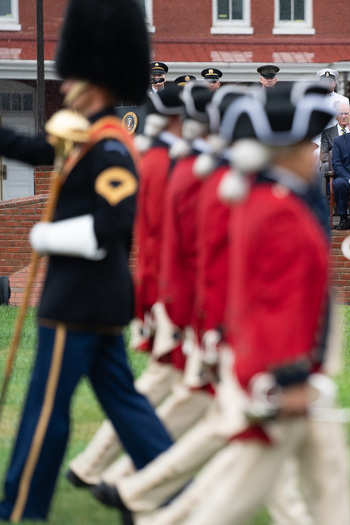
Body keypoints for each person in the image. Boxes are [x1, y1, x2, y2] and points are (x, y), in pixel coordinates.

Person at [136, 81, 350, 525]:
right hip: (280, 368)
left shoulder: (267, 200)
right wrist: (290, 373)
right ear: (285, 151)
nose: (312, 155)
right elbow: (275, 299)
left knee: (328, 474)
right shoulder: (277, 209)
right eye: (305, 146)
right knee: (239, 491)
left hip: (284, 364)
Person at [0, 0, 174, 520]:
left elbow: (117, 221)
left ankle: (21, 504)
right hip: (95, 298)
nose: (66, 85)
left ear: (93, 81)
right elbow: (36, 148)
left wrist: (51, 236)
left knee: (46, 407)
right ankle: (173, 494)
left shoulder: (111, 144)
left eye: (73, 77)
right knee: (126, 405)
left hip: (79, 297)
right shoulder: (84, 134)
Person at [67, 85, 186, 489]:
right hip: (171, 291)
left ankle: (102, 470)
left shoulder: (153, 159)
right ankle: (125, 480)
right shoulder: (165, 163)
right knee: (156, 392)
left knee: (160, 391)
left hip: (161, 287)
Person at [320, 100, 350, 174]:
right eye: (341, 114)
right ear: (336, 116)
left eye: (346, 114)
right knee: (325, 166)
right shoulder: (327, 133)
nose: (344, 117)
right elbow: (323, 156)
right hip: (335, 166)